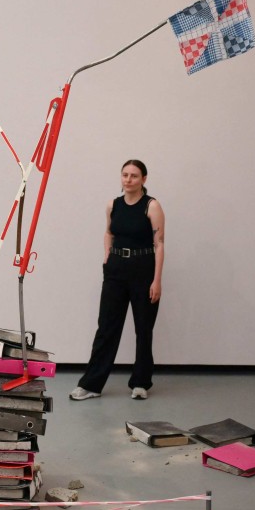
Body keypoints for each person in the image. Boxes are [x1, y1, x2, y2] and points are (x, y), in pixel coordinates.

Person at [70, 159, 164, 400]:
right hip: (115, 270)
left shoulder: (151, 206)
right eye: (125, 174)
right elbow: (109, 232)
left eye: (134, 175)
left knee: (144, 328)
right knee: (107, 327)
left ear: (144, 179)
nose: (128, 179)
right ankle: (91, 384)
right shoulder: (113, 205)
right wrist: (106, 257)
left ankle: (141, 383)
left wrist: (156, 281)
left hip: (143, 270)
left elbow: (159, 244)